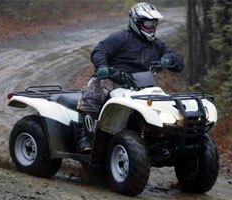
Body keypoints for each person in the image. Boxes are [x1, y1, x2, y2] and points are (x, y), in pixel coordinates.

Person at [76, 2, 184, 152]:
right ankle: (85, 137)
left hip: (142, 85)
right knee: (93, 93)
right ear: (136, 22)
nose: (151, 27)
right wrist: (102, 66)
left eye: (154, 23)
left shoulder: (157, 44)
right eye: (148, 22)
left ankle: (160, 137)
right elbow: (99, 51)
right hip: (113, 79)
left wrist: (169, 59)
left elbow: (177, 59)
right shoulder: (120, 38)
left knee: (164, 106)